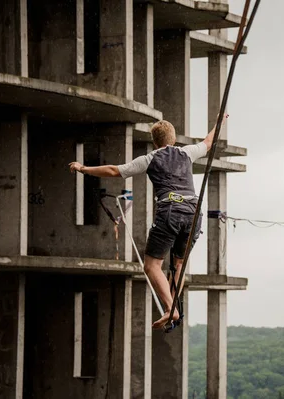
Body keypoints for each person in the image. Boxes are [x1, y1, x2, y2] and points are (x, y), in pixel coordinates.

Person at [69, 114, 228, 329]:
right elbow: (209, 142)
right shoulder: (186, 152)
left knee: (152, 265)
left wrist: (83, 168)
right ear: (173, 139)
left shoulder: (150, 158)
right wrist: (220, 122)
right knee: (179, 264)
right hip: (194, 211)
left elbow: (114, 171)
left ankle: (171, 309)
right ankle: (172, 309)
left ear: (155, 141)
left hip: (170, 210)